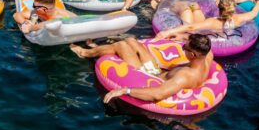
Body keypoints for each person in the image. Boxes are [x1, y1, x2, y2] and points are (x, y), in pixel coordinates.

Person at [70, 34, 213, 102]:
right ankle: (100, 48)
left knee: (121, 46)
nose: (182, 48)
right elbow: (204, 42)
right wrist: (183, 35)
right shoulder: (207, 57)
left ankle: (84, 53)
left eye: (184, 47)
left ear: (193, 54)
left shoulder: (185, 76)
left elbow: (158, 94)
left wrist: (126, 90)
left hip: (147, 76)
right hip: (157, 71)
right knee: (132, 41)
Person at [156, 0, 259, 37]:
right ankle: (166, 3)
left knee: (185, 8)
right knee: (195, 6)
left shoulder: (213, 21)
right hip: (206, 27)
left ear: (219, 8)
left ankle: (164, 5)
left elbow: (191, 27)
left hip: (194, 30)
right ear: (234, 8)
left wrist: (167, 32)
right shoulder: (238, 19)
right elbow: (253, 14)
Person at [12, 0, 89, 34]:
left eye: (35, 6)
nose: (33, 8)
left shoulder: (60, 17)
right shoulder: (38, 12)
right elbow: (16, 15)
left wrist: (31, 28)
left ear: (44, 9)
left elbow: (48, 24)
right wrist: (24, 22)